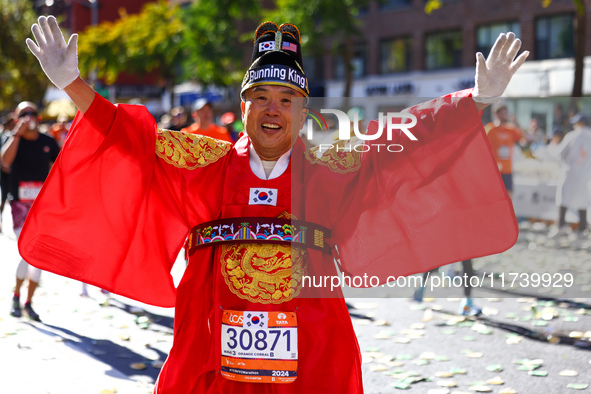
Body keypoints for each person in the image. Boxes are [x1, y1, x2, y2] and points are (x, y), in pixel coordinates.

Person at [21, 16, 527, 393]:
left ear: (304, 111)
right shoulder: (205, 161)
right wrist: (72, 85)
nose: (273, 108)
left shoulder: (333, 165)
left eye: (287, 99)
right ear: (242, 108)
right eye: (260, 96)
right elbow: (132, 138)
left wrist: (475, 100)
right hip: (212, 331)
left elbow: (404, 139)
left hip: (310, 335)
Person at [1, 101, 60, 321]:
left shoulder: (47, 142)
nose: (29, 117)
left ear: (39, 117)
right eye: (23, 114)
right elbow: (5, 162)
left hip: (42, 207)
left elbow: (62, 165)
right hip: (19, 206)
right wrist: (16, 134)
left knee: (38, 256)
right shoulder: (13, 140)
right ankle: (17, 297)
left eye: (32, 113)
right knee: (27, 251)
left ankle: (27, 302)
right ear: (16, 119)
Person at [548, 113, 591, 239]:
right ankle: (582, 228)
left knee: (563, 197)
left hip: (570, 171)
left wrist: (553, 146)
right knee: (582, 200)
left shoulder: (572, 136)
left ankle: (561, 225)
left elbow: (560, 154)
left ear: (578, 124)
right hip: (585, 174)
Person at [484, 104, 525, 198]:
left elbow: (525, 139)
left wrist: (516, 123)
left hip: (507, 170)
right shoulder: (490, 129)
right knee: (494, 196)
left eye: (506, 112)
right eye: (503, 113)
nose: (506, 115)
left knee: (508, 197)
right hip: (494, 170)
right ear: (497, 114)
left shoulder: (511, 129)